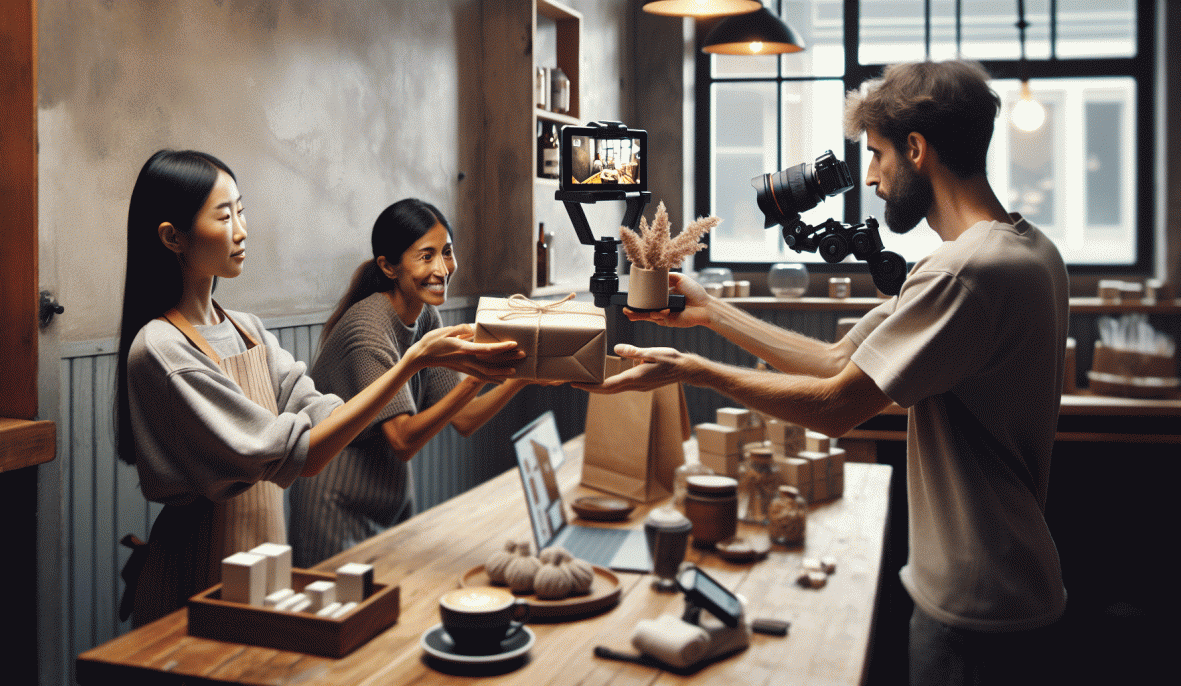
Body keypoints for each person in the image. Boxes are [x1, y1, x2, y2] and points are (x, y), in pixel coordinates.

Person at [579, 60, 1068, 685]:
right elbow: (838, 361)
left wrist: (697, 372)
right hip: (1007, 588)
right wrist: (713, 314)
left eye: (878, 155)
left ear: (916, 150)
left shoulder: (962, 273)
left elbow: (839, 405)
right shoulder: (1025, 251)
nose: (871, 176)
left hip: (978, 609)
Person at [115, 151, 521, 626]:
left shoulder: (248, 330)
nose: (242, 231)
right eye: (225, 216)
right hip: (193, 575)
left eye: (242, 211)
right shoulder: (161, 349)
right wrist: (414, 362)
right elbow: (303, 454)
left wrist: (437, 362)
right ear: (172, 237)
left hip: (266, 562)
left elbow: (326, 413)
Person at [287, 199, 538, 568]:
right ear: (389, 266)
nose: (442, 268)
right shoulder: (368, 329)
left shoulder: (426, 317)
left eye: (447, 252)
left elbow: (464, 419)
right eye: (426, 256)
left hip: (389, 494)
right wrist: (476, 379)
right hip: (335, 497)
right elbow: (403, 440)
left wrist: (523, 377)